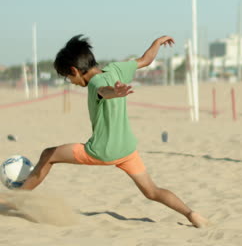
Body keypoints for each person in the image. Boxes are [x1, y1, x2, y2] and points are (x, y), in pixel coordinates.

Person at [17, 35, 208, 228]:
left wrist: (113, 92)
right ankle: (191, 214)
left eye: (68, 77)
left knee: (48, 154)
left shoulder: (94, 83)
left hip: (102, 151)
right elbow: (146, 60)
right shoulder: (116, 68)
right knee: (152, 191)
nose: (71, 82)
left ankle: (17, 199)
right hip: (127, 149)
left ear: (74, 70)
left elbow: (103, 90)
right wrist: (157, 43)